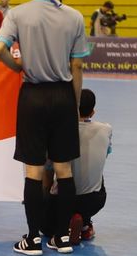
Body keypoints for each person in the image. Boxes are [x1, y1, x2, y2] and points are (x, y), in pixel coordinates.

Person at [0, 0, 90, 256]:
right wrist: (73, 104)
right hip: (62, 95)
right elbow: (77, 67)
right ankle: (62, 238)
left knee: (33, 170)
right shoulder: (74, 16)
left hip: (32, 94)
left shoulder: (18, 14)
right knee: (64, 169)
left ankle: (33, 238)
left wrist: (19, 67)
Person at [43, 89, 112, 244]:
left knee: (46, 228)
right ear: (93, 112)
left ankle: (64, 224)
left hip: (62, 199)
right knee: (96, 172)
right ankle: (85, 223)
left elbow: (48, 170)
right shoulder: (106, 129)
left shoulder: (58, 131)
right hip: (94, 200)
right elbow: (104, 155)